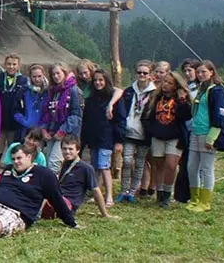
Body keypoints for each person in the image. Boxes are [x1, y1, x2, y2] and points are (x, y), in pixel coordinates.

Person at [186, 61, 224, 213]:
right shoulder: (201, 90)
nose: (200, 75)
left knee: (206, 168)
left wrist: (212, 137)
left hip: (208, 132)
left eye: (203, 72)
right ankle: (194, 198)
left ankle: (205, 202)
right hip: (195, 131)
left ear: (211, 72)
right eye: (198, 72)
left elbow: (220, 115)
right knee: (191, 167)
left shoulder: (216, 91)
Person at [142, 70, 191, 207]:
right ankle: (160, 192)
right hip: (158, 135)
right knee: (158, 165)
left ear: (176, 85)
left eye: (170, 83)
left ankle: (168, 194)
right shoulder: (156, 98)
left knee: (171, 165)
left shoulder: (181, 99)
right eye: (164, 82)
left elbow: (187, 116)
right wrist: (151, 129)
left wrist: (182, 100)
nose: (165, 85)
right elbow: (147, 115)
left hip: (174, 137)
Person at [80, 69, 126, 206]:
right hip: (93, 137)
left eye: (101, 80)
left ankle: (109, 196)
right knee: (95, 166)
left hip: (107, 137)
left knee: (104, 165)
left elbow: (120, 120)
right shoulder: (91, 99)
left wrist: (119, 140)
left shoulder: (114, 98)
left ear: (106, 81)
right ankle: (97, 193)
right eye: (95, 80)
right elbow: (87, 120)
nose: (98, 83)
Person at [47, 136, 116, 221]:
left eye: (71, 149)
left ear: (78, 150)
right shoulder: (64, 164)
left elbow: (96, 191)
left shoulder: (86, 168)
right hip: (57, 197)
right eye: (64, 149)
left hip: (67, 204)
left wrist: (105, 214)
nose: (67, 152)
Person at [117, 60, 155, 204]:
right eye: (139, 72)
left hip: (144, 133)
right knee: (127, 161)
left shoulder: (154, 93)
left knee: (140, 163)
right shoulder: (129, 91)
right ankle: (123, 190)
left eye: (145, 73)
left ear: (150, 75)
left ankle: (132, 191)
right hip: (128, 132)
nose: (142, 75)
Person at [40, 63, 82, 173]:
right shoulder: (53, 92)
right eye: (53, 74)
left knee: (54, 163)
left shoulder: (73, 90)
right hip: (52, 132)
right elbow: (47, 113)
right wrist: (44, 129)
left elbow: (76, 115)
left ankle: (53, 189)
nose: (56, 76)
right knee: (48, 161)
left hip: (67, 133)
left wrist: (63, 131)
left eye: (58, 73)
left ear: (65, 73)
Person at [0, 54, 29, 166]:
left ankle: (13, 177)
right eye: (9, 64)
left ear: (18, 66)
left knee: (15, 153)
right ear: (4, 65)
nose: (11, 67)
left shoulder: (24, 81)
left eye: (14, 64)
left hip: (15, 124)